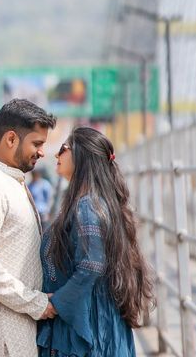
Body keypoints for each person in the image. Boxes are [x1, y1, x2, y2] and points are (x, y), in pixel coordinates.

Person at [37, 126, 155, 357]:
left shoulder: (87, 206)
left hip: (89, 332)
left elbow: (91, 265)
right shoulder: (93, 202)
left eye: (63, 148)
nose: (56, 155)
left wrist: (56, 304)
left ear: (81, 155)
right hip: (94, 323)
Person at [0, 98, 57, 357]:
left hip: (18, 329)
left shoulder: (11, 182)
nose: (41, 152)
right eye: (36, 144)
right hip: (3, 336)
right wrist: (35, 303)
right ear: (11, 139)